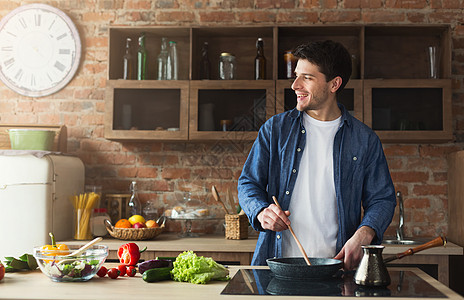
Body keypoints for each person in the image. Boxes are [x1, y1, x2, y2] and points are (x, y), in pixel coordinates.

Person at [237, 40, 396, 270]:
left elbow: (382, 199)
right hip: (277, 267)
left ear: (334, 84)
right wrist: (261, 211)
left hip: (338, 270)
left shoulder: (365, 140)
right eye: (296, 76)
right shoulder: (275, 130)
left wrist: (365, 234)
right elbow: (248, 183)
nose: (295, 85)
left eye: (307, 78)